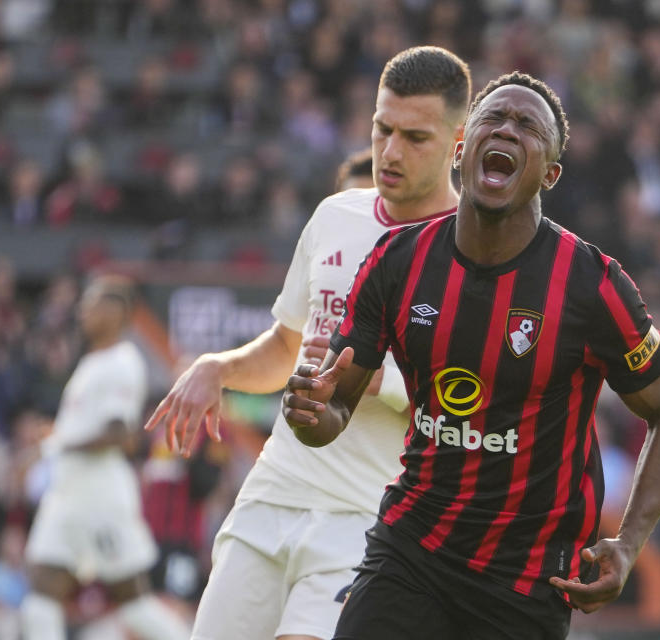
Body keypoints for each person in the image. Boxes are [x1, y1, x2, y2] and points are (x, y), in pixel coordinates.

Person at [282, 72, 660, 640]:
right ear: (462, 148)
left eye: (529, 126)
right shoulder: (397, 261)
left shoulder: (591, 285)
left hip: (525, 579)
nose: (507, 128)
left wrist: (628, 542)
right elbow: (334, 411)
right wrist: (309, 414)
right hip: (412, 548)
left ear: (548, 173)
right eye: (493, 118)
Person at [144, 46, 471, 640]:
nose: (391, 151)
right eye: (382, 128)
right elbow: (286, 345)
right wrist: (218, 367)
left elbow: (477, 403)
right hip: (274, 494)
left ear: (459, 141)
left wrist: (376, 378)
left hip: (368, 517)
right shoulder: (334, 216)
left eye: (415, 137)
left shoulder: (474, 254)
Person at [20, 276, 190, 640]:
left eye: (94, 303)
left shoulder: (122, 362)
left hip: (101, 496)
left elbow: (121, 435)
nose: (83, 310)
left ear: (118, 312)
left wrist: (58, 441)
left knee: (134, 602)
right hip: (68, 493)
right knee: (40, 594)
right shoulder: (91, 362)